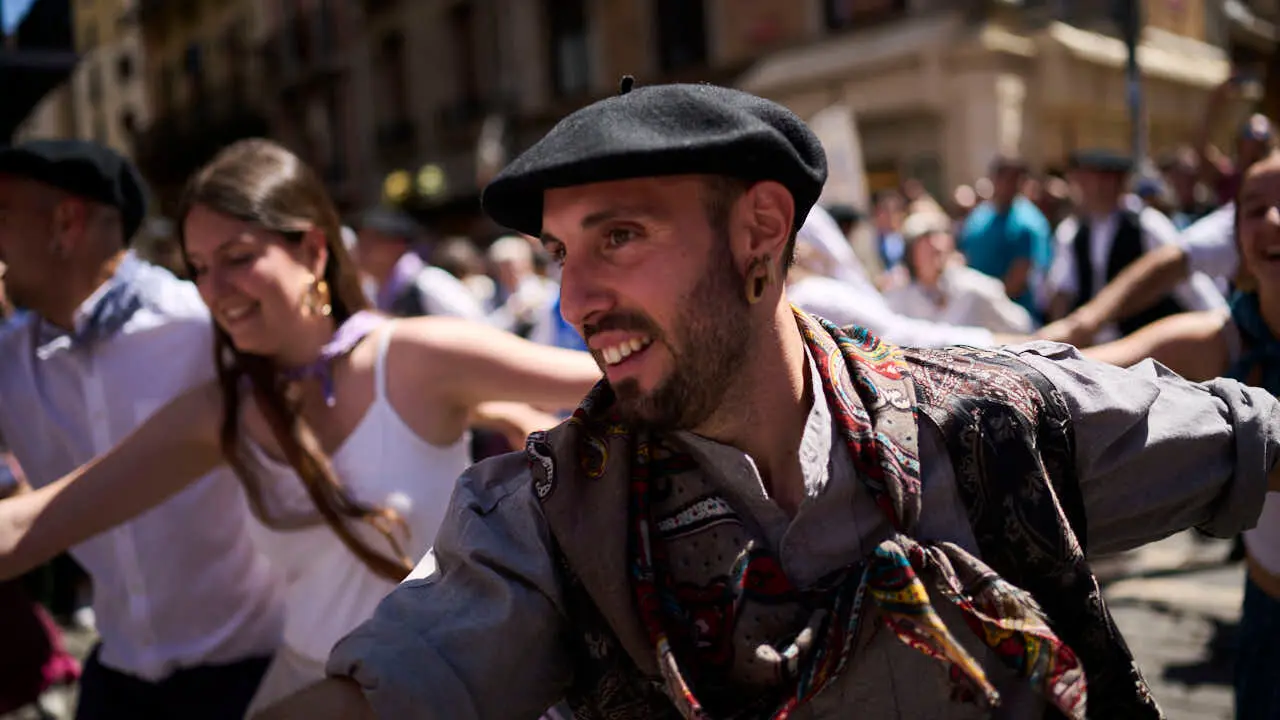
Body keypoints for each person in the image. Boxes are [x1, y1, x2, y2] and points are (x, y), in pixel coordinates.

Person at [269, 81, 1280, 720]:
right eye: (560, 253)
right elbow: (388, 689)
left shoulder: (983, 427)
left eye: (616, 236)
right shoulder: (548, 519)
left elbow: (1252, 435)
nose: (574, 300)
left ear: (759, 232)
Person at [0, 139, 602, 714]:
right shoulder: (225, 408)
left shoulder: (413, 356)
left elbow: (614, 381)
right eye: (200, 267)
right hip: (298, 691)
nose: (215, 290)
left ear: (313, 250)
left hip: (439, 694)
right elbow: (45, 517)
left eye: (237, 258)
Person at [0, 139, 286, 719]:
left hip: (258, 678)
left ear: (65, 222)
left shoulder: (209, 327)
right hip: (118, 680)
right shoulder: (9, 360)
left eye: (0, 214)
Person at [1084, 151, 1280, 719]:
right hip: (1267, 609)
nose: (1270, 221)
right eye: (1254, 209)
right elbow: (1088, 368)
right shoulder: (1224, 338)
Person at [1042, 149, 1225, 342]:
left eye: (1090, 178)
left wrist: (1220, 324)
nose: (1082, 186)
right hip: (1092, 351)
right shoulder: (1072, 231)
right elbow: (1062, 292)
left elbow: (1189, 281)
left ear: (1113, 182)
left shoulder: (1147, 225)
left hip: (1140, 348)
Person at [787, 204, 1021, 348]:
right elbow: (901, 336)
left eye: (938, 239)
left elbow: (1023, 331)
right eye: (924, 242)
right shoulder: (896, 297)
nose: (934, 248)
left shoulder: (977, 288)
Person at [885, 212, 1034, 334]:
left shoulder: (975, 288)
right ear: (911, 255)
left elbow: (1022, 326)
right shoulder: (899, 297)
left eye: (937, 242)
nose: (934, 248)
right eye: (923, 245)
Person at [351, 207, 486, 320]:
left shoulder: (429, 283)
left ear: (398, 245)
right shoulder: (371, 290)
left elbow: (474, 326)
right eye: (360, 240)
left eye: (372, 240)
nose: (362, 248)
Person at [957, 156, 1052, 316]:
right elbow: (964, 255)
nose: (1007, 184)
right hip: (975, 311)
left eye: (1014, 179)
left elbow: (1018, 280)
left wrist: (986, 305)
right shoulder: (978, 215)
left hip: (1013, 316)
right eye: (1002, 177)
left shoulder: (1029, 223)